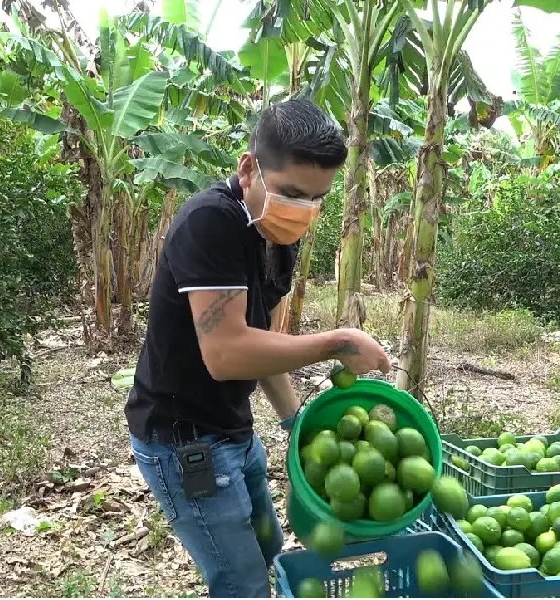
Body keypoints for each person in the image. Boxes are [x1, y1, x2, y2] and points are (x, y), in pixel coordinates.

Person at [124, 98, 391, 598]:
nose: (304, 210)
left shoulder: (277, 237)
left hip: (233, 430)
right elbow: (226, 354)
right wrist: (337, 342)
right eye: (292, 192)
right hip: (184, 442)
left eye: (316, 199)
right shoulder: (210, 222)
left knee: (267, 552)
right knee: (242, 581)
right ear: (249, 168)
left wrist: (294, 423)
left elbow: (263, 342)